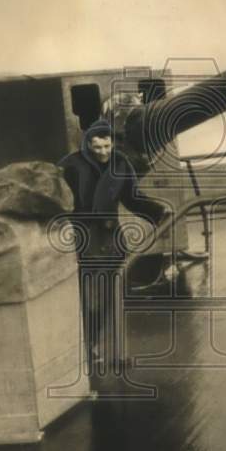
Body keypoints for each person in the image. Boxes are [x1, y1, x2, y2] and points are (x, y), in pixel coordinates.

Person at [59, 120, 167, 368]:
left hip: (110, 239)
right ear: (87, 146)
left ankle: (103, 349)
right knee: (89, 300)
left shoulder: (120, 163)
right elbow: (58, 200)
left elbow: (133, 199)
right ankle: (86, 347)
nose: (104, 153)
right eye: (97, 148)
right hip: (83, 239)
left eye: (107, 146)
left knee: (112, 298)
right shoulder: (70, 165)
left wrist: (159, 212)